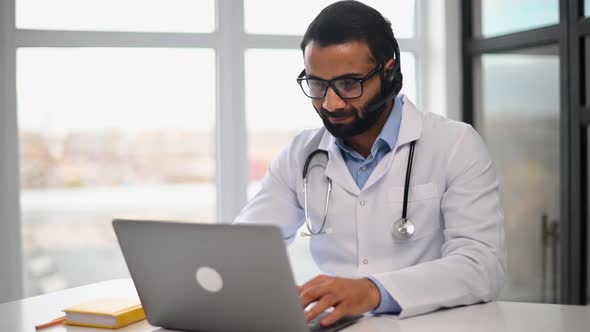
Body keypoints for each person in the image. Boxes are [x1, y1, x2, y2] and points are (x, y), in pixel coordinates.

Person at [234, 0, 506, 327]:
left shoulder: (455, 145)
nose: (331, 103)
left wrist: (372, 291)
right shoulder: (300, 154)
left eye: (349, 84)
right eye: (318, 85)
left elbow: (481, 266)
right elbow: (244, 247)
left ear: (389, 74)